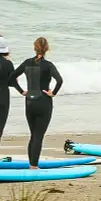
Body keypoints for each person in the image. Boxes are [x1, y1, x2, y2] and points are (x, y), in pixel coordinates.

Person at [9, 37, 63, 168]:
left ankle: (31, 164)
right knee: (38, 136)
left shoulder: (27, 62)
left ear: (35, 48)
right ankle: (33, 165)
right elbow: (59, 80)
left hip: (30, 102)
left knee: (33, 135)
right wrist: (53, 93)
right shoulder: (48, 65)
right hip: (44, 102)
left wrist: (22, 91)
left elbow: (11, 78)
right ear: (47, 49)